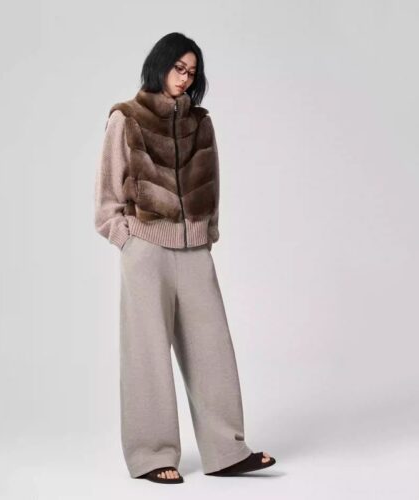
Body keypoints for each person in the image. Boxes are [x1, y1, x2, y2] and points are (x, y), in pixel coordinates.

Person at [94, 32, 276, 484]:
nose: (185, 78)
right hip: (146, 249)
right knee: (146, 354)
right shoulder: (126, 118)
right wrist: (125, 237)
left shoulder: (201, 123)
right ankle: (151, 455)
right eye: (179, 68)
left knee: (213, 349)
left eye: (192, 73)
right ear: (160, 64)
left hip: (194, 249)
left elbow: (213, 185)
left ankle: (226, 450)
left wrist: (207, 234)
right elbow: (107, 194)